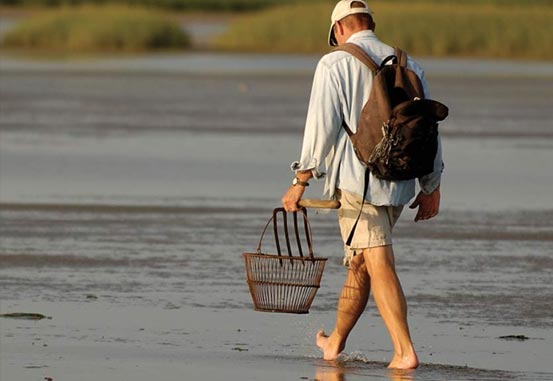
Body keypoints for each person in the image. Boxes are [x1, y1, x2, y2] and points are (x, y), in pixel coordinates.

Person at [281, 0, 443, 370]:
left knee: (378, 260)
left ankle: (404, 352)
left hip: (359, 183)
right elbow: (429, 129)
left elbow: (320, 131)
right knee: (361, 263)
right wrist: (431, 185)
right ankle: (335, 342)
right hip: (401, 182)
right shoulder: (409, 64)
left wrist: (299, 180)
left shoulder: (334, 63)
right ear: (370, 23)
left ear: (339, 29)